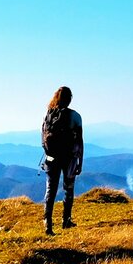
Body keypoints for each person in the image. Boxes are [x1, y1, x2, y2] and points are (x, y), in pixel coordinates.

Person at [40, 86, 85, 235]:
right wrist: (80, 161)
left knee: (50, 189)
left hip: (51, 158)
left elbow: (43, 138)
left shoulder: (48, 115)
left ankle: (47, 223)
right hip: (69, 157)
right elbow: (79, 141)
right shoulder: (75, 116)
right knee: (68, 188)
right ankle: (66, 220)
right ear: (70, 98)